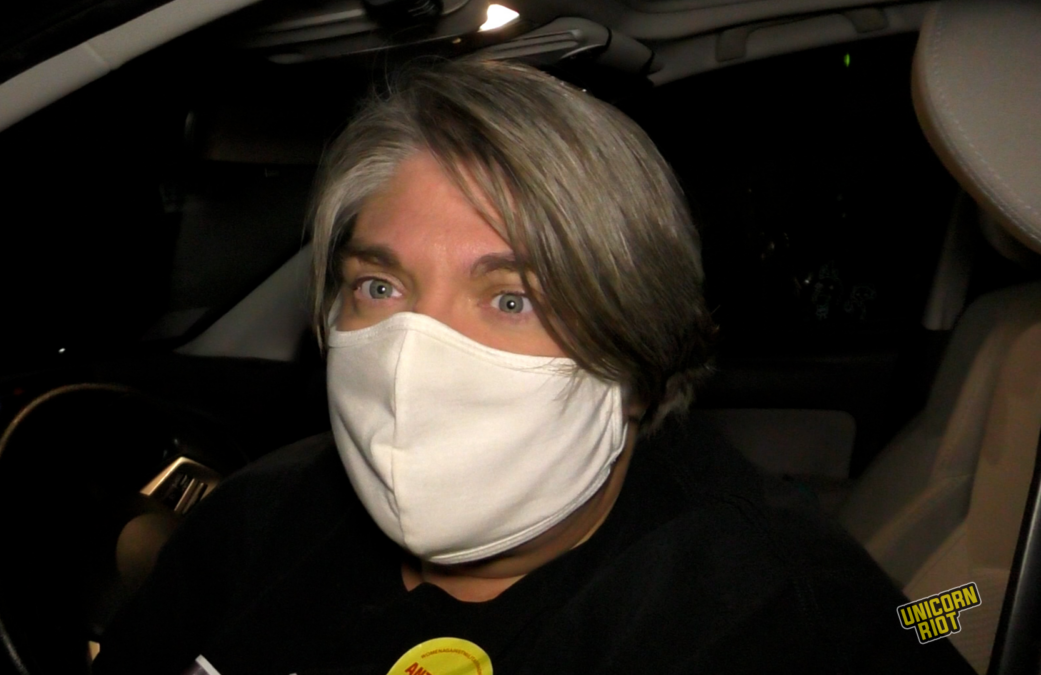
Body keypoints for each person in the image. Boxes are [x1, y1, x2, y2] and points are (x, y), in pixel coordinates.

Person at [94, 59, 974, 674]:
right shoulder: (264, 515)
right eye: (379, 286)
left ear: (639, 354)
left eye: (512, 299)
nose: (413, 357)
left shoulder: (773, 620)